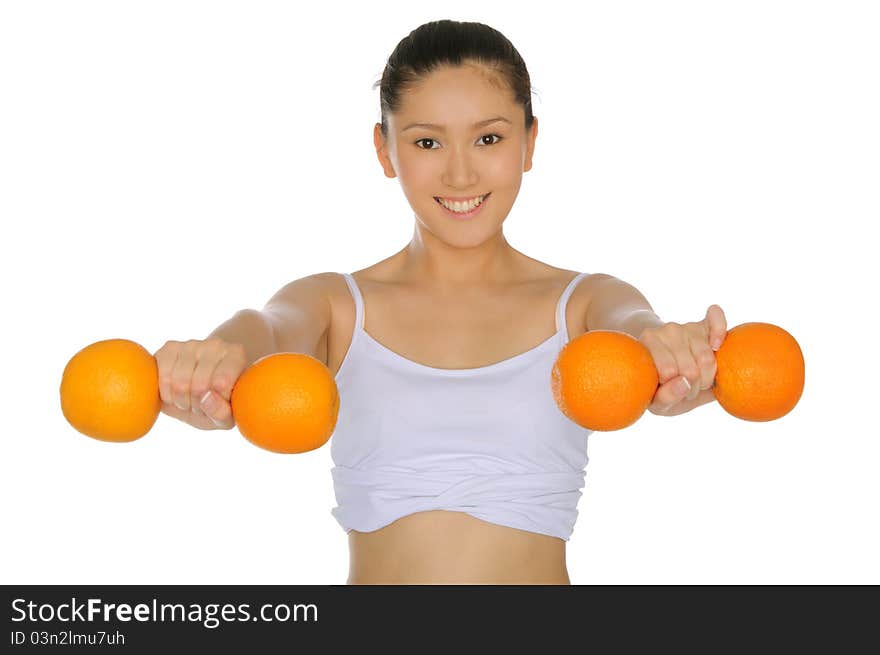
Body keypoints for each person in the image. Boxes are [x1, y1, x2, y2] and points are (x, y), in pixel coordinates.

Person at [153, 19, 728, 585]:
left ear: (530, 142)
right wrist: (219, 353)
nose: (459, 172)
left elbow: (634, 326)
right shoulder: (337, 304)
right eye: (427, 141)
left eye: (489, 138)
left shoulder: (584, 302)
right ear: (384, 151)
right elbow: (269, 327)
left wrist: (669, 348)